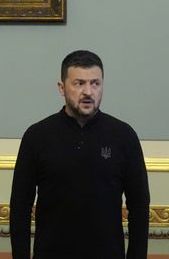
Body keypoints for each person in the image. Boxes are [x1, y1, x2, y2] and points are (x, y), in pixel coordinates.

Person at [9, 50, 150, 259]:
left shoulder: (123, 136)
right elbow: (20, 208)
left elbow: (139, 207)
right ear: (62, 88)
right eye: (79, 83)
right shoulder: (37, 136)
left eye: (95, 83)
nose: (88, 92)